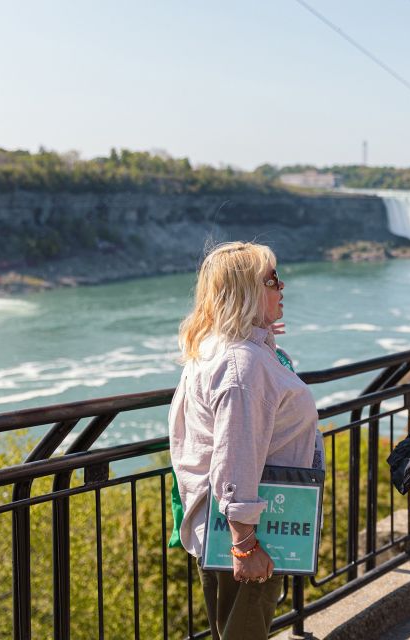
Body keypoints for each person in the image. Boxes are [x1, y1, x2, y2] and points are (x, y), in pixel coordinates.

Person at [168, 241, 321, 640]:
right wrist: (245, 544)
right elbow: (234, 454)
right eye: (271, 279)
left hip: (236, 526)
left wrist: (263, 334)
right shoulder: (242, 366)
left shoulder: (225, 350)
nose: (282, 285)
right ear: (245, 291)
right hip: (251, 530)